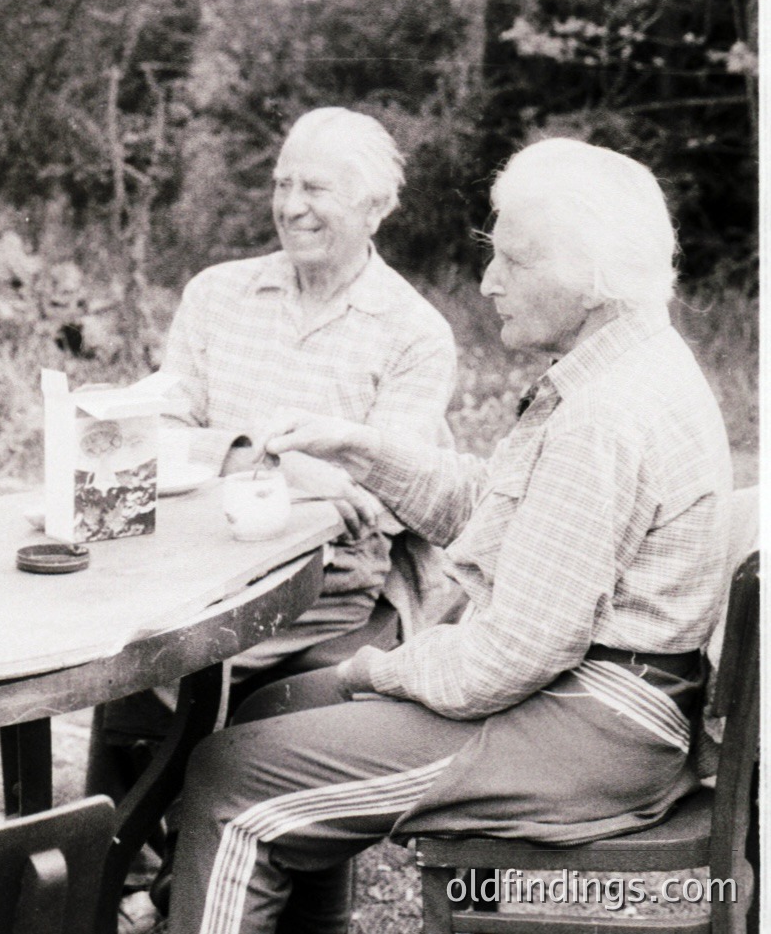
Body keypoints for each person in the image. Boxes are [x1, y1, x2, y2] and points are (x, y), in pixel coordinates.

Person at [165, 139, 734, 934]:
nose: (488, 281)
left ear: (593, 277)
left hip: (588, 730)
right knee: (269, 707)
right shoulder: (622, 363)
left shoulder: (604, 415)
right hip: (599, 703)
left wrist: (379, 669)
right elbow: (499, 514)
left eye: (512, 261)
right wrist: (359, 448)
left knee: (231, 781)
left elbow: (509, 657)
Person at [93, 109, 457, 924]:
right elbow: (152, 433)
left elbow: (383, 502)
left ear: (375, 207)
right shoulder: (218, 293)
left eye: (314, 187)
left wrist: (223, 455)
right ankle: (126, 888)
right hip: (187, 571)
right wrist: (284, 462)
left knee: (214, 696)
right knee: (118, 665)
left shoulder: (413, 334)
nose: (290, 204)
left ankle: (188, 890)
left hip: (322, 596)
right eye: (281, 183)